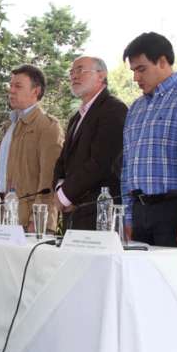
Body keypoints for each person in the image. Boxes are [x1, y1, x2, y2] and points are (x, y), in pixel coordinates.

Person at [120, 32, 177, 248]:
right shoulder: (136, 108)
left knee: (176, 280)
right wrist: (128, 217)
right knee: (139, 280)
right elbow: (127, 168)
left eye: (141, 69)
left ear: (163, 61)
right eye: (133, 71)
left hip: (175, 211)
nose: (136, 78)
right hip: (140, 213)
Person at [52, 56, 127, 231]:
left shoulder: (114, 109)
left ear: (101, 76)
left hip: (98, 212)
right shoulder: (77, 117)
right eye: (72, 72)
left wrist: (66, 195)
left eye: (80, 70)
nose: (74, 76)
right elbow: (63, 161)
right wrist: (60, 190)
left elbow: (101, 163)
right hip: (74, 211)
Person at [0, 64, 64, 232]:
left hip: (29, 222)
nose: (11, 91)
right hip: (1, 217)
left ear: (35, 92)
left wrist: (37, 221)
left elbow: (49, 178)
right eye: (10, 86)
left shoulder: (47, 126)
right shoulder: (9, 125)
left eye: (18, 86)